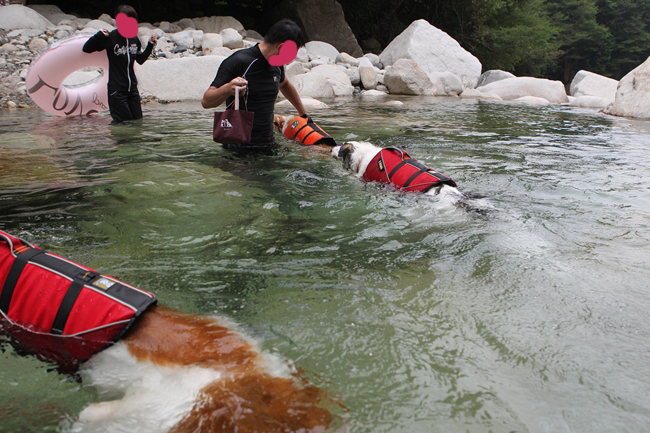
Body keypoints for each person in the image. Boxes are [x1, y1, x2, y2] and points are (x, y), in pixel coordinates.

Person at [201, 19, 307, 155]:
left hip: (268, 143)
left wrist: (303, 114)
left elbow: (285, 84)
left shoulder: (277, 65)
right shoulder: (239, 61)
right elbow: (206, 101)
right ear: (281, 47)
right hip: (239, 148)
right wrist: (228, 89)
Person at [83, 5, 156, 124]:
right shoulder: (111, 37)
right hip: (117, 91)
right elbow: (86, 48)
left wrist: (150, 45)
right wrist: (99, 35)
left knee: (138, 122)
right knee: (124, 124)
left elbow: (140, 60)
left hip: (132, 90)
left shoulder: (134, 40)